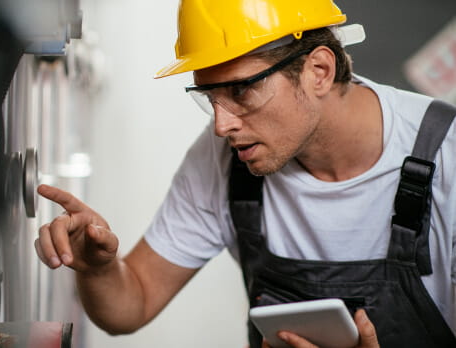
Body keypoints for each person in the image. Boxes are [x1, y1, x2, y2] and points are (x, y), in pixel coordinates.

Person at [34, 0, 456, 347]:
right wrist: (96, 268)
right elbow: (132, 304)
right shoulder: (224, 156)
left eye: (241, 91)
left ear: (318, 71)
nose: (222, 125)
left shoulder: (447, 157)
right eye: (209, 97)